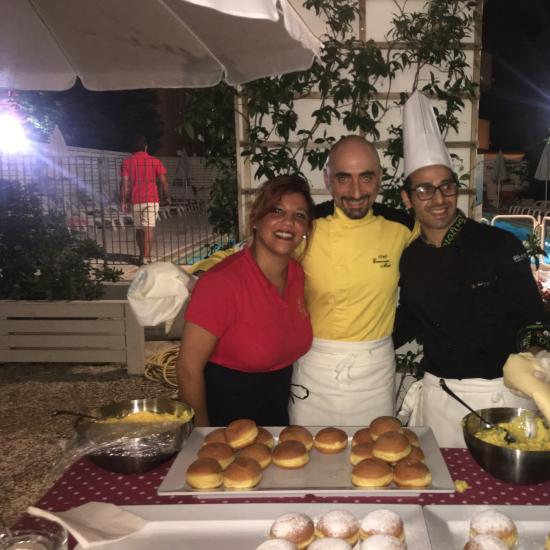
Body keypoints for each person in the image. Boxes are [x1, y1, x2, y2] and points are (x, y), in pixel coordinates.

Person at [191, 136, 418, 426]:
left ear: (380, 179)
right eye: (343, 178)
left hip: (375, 367)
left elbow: (441, 242)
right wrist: (199, 274)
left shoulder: (403, 227)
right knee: (304, 454)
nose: (356, 191)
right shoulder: (307, 226)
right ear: (327, 179)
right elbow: (249, 252)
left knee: (372, 454)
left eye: (366, 177)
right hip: (315, 364)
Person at [393, 91, 545, 447]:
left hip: (500, 399)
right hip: (438, 400)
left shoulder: (499, 245)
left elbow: (531, 317)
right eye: (425, 190)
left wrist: (539, 358)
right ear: (408, 198)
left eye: (446, 186)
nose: (439, 199)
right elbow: (410, 320)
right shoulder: (411, 257)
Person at [176, 175, 315, 426]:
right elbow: (188, 368)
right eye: (277, 211)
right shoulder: (222, 283)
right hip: (225, 424)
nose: (288, 222)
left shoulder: (297, 275)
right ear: (255, 219)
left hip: (277, 422)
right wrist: (202, 436)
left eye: (299, 216)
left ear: (305, 230)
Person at [120, 135, 170, 265]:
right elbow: (164, 181)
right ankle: (146, 258)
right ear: (146, 147)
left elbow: (125, 184)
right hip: (152, 199)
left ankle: (142, 254)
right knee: (149, 228)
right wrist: (167, 196)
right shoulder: (154, 161)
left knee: (139, 229)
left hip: (135, 200)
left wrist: (124, 201)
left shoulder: (127, 162)